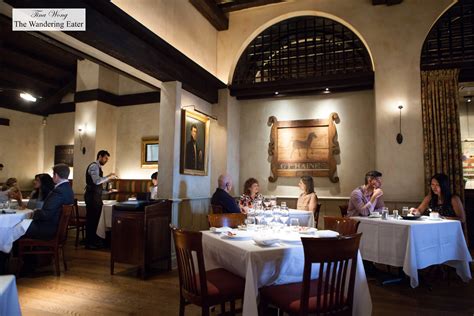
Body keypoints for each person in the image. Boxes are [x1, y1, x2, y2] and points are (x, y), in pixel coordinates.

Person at [23, 164, 74, 240]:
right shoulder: (68, 189)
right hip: (55, 226)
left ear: (56, 175)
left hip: (47, 228)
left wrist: (35, 212)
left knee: (15, 226)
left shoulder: (58, 191)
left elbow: (46, 214)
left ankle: (15, 251)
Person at [85, 150, 117, 249]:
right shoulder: (94, 166)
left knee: (95, 219)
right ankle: (90, 243)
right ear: (100, 156)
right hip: (92, 198)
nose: (106, 160)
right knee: (92, 219)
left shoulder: (98, 167)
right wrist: (108, 177)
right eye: (105, 158)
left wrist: (108, 192)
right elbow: (97, 181)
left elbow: (97, 187)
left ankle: (94, 241)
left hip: (95, 196)